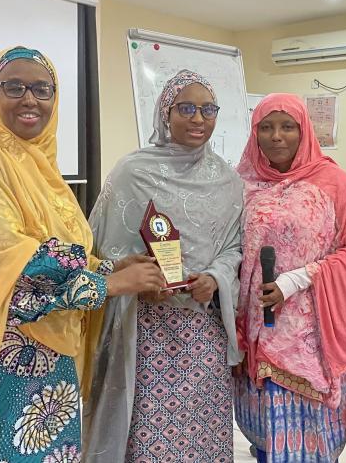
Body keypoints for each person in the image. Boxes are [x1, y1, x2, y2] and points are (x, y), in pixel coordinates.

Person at [0, 47, 165, 463]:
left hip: (51, 354)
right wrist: (106, 284)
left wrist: (109, 266)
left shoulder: (42, 166)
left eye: (42, 89)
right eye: (15, 87)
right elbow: (9, 257)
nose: (30, 99)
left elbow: (61, 247)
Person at [84, 70, 243, 462]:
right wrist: (134, 277)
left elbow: (235, 247)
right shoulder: (132, 172)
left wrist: (215, 279)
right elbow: (100, 246)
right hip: (146, 329)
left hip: (204, 330)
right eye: (186, 108)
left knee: (202, 430)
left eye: (208, 109)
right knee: (148, 431)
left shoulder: (227, 180)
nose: (198, 118)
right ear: (165, 113)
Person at [233, 93, 346, 463]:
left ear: (305, 132)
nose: (276, 136)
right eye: (266, 127)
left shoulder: (334, 182)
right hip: (255, 327)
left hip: (309, 334)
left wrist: (296, 280)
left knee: (308, 442)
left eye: (288, 126)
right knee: (265, 436)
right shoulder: (240, 182)